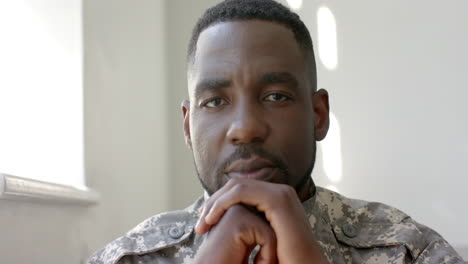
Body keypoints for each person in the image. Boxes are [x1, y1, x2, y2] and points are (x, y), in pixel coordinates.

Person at [88, 0, 466, 263]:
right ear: (188, 126)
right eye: (216, 102)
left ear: (318, 115)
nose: (246, 128)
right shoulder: (131, 258)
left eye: (275, 95)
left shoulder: (408, 252)